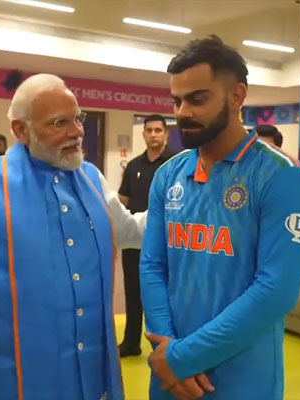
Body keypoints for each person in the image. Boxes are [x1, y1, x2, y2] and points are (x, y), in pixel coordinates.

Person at [0, 73, 148, 400]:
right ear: (21, 130)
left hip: (93, 381)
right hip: (16, 385)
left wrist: (180, 209)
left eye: (78, 119)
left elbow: (130, 230)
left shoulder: (92, 179)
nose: (77, 131)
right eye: (59, 123)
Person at [141, 35, 300, 400]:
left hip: (241, 378)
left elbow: (275, 291)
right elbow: (153, 266)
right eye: (177, 100)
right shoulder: (169, 175)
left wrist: (185, 357)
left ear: (236, 97)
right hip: (170, 372)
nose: (182, 112)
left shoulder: (282, 176)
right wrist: (166, 348)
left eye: (197, 99)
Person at [117, 114, 173, 358]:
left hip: (166, 241)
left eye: (158, 130)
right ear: (143, 134)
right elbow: (124, 200)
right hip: (135, 240)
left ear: (166, 134)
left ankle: (167, 344)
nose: (153, 134)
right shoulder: (133, 166)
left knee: (163, 293)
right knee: (132, 292)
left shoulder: (175, 164)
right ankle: (131, 342)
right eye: (149, 130)